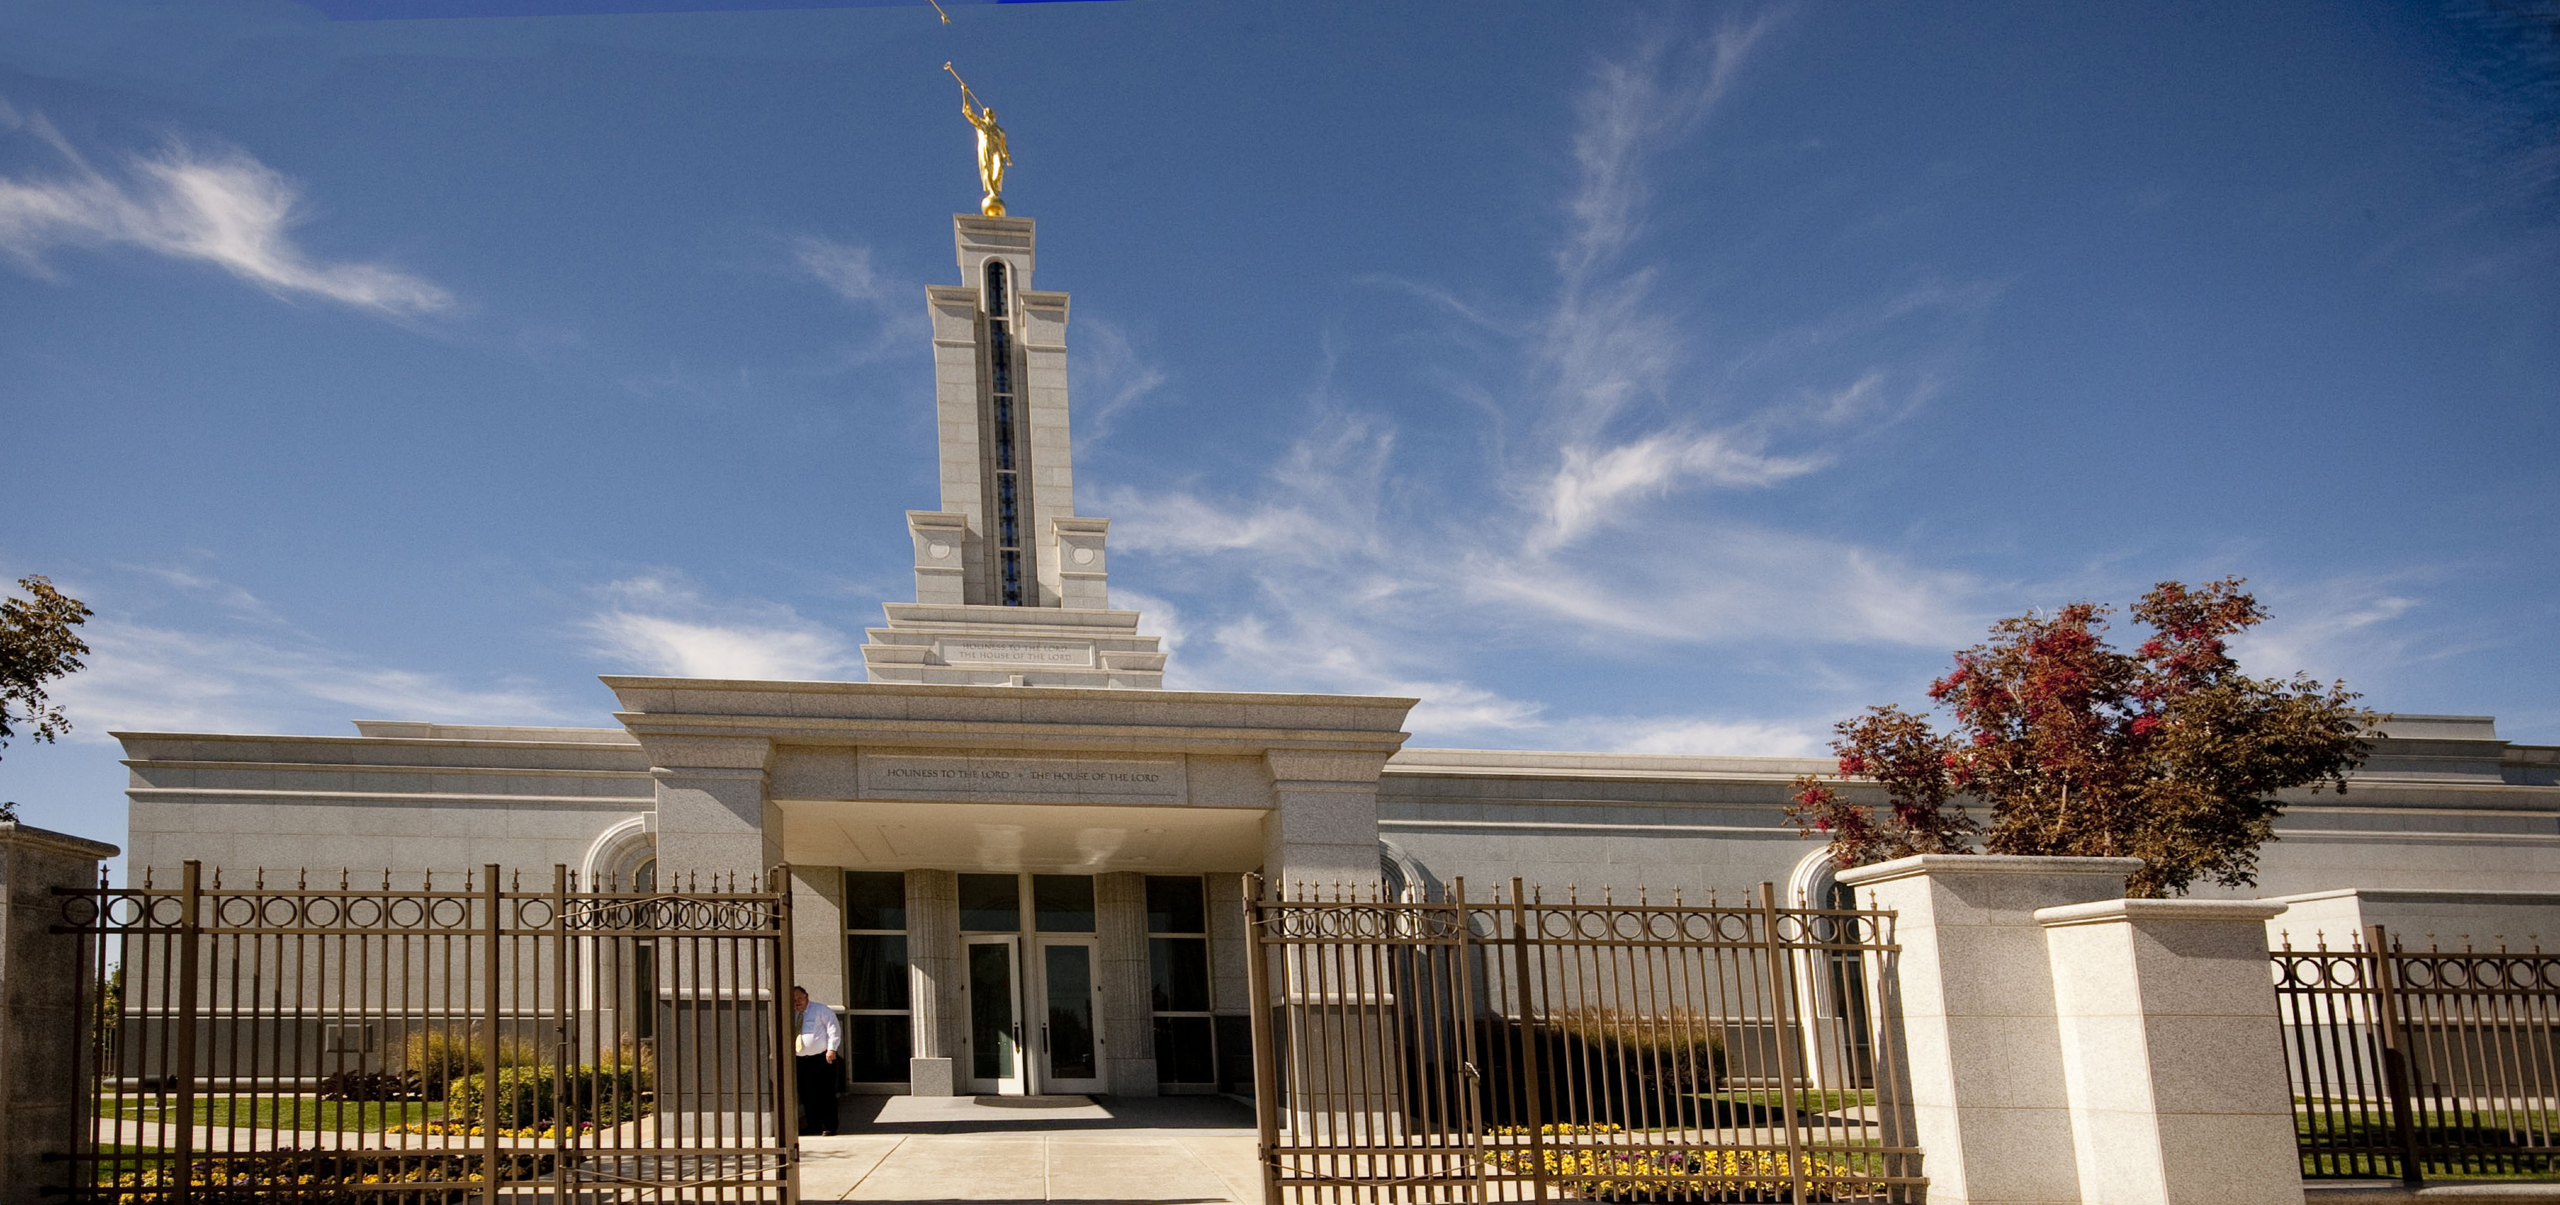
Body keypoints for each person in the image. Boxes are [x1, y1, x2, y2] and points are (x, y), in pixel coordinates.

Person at [791, 985, 843, 1136]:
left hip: (822, 1058)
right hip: (800, 1060)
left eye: (800, 998)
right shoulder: (791, 1014)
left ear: (806, 996)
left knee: (825, 1093)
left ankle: (829, 1126)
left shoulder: (821, 1010)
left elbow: (833, 1029)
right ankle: (813, 1126)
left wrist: (832, 1049)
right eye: (794, 999)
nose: (797, 1002)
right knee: (806, 1094)